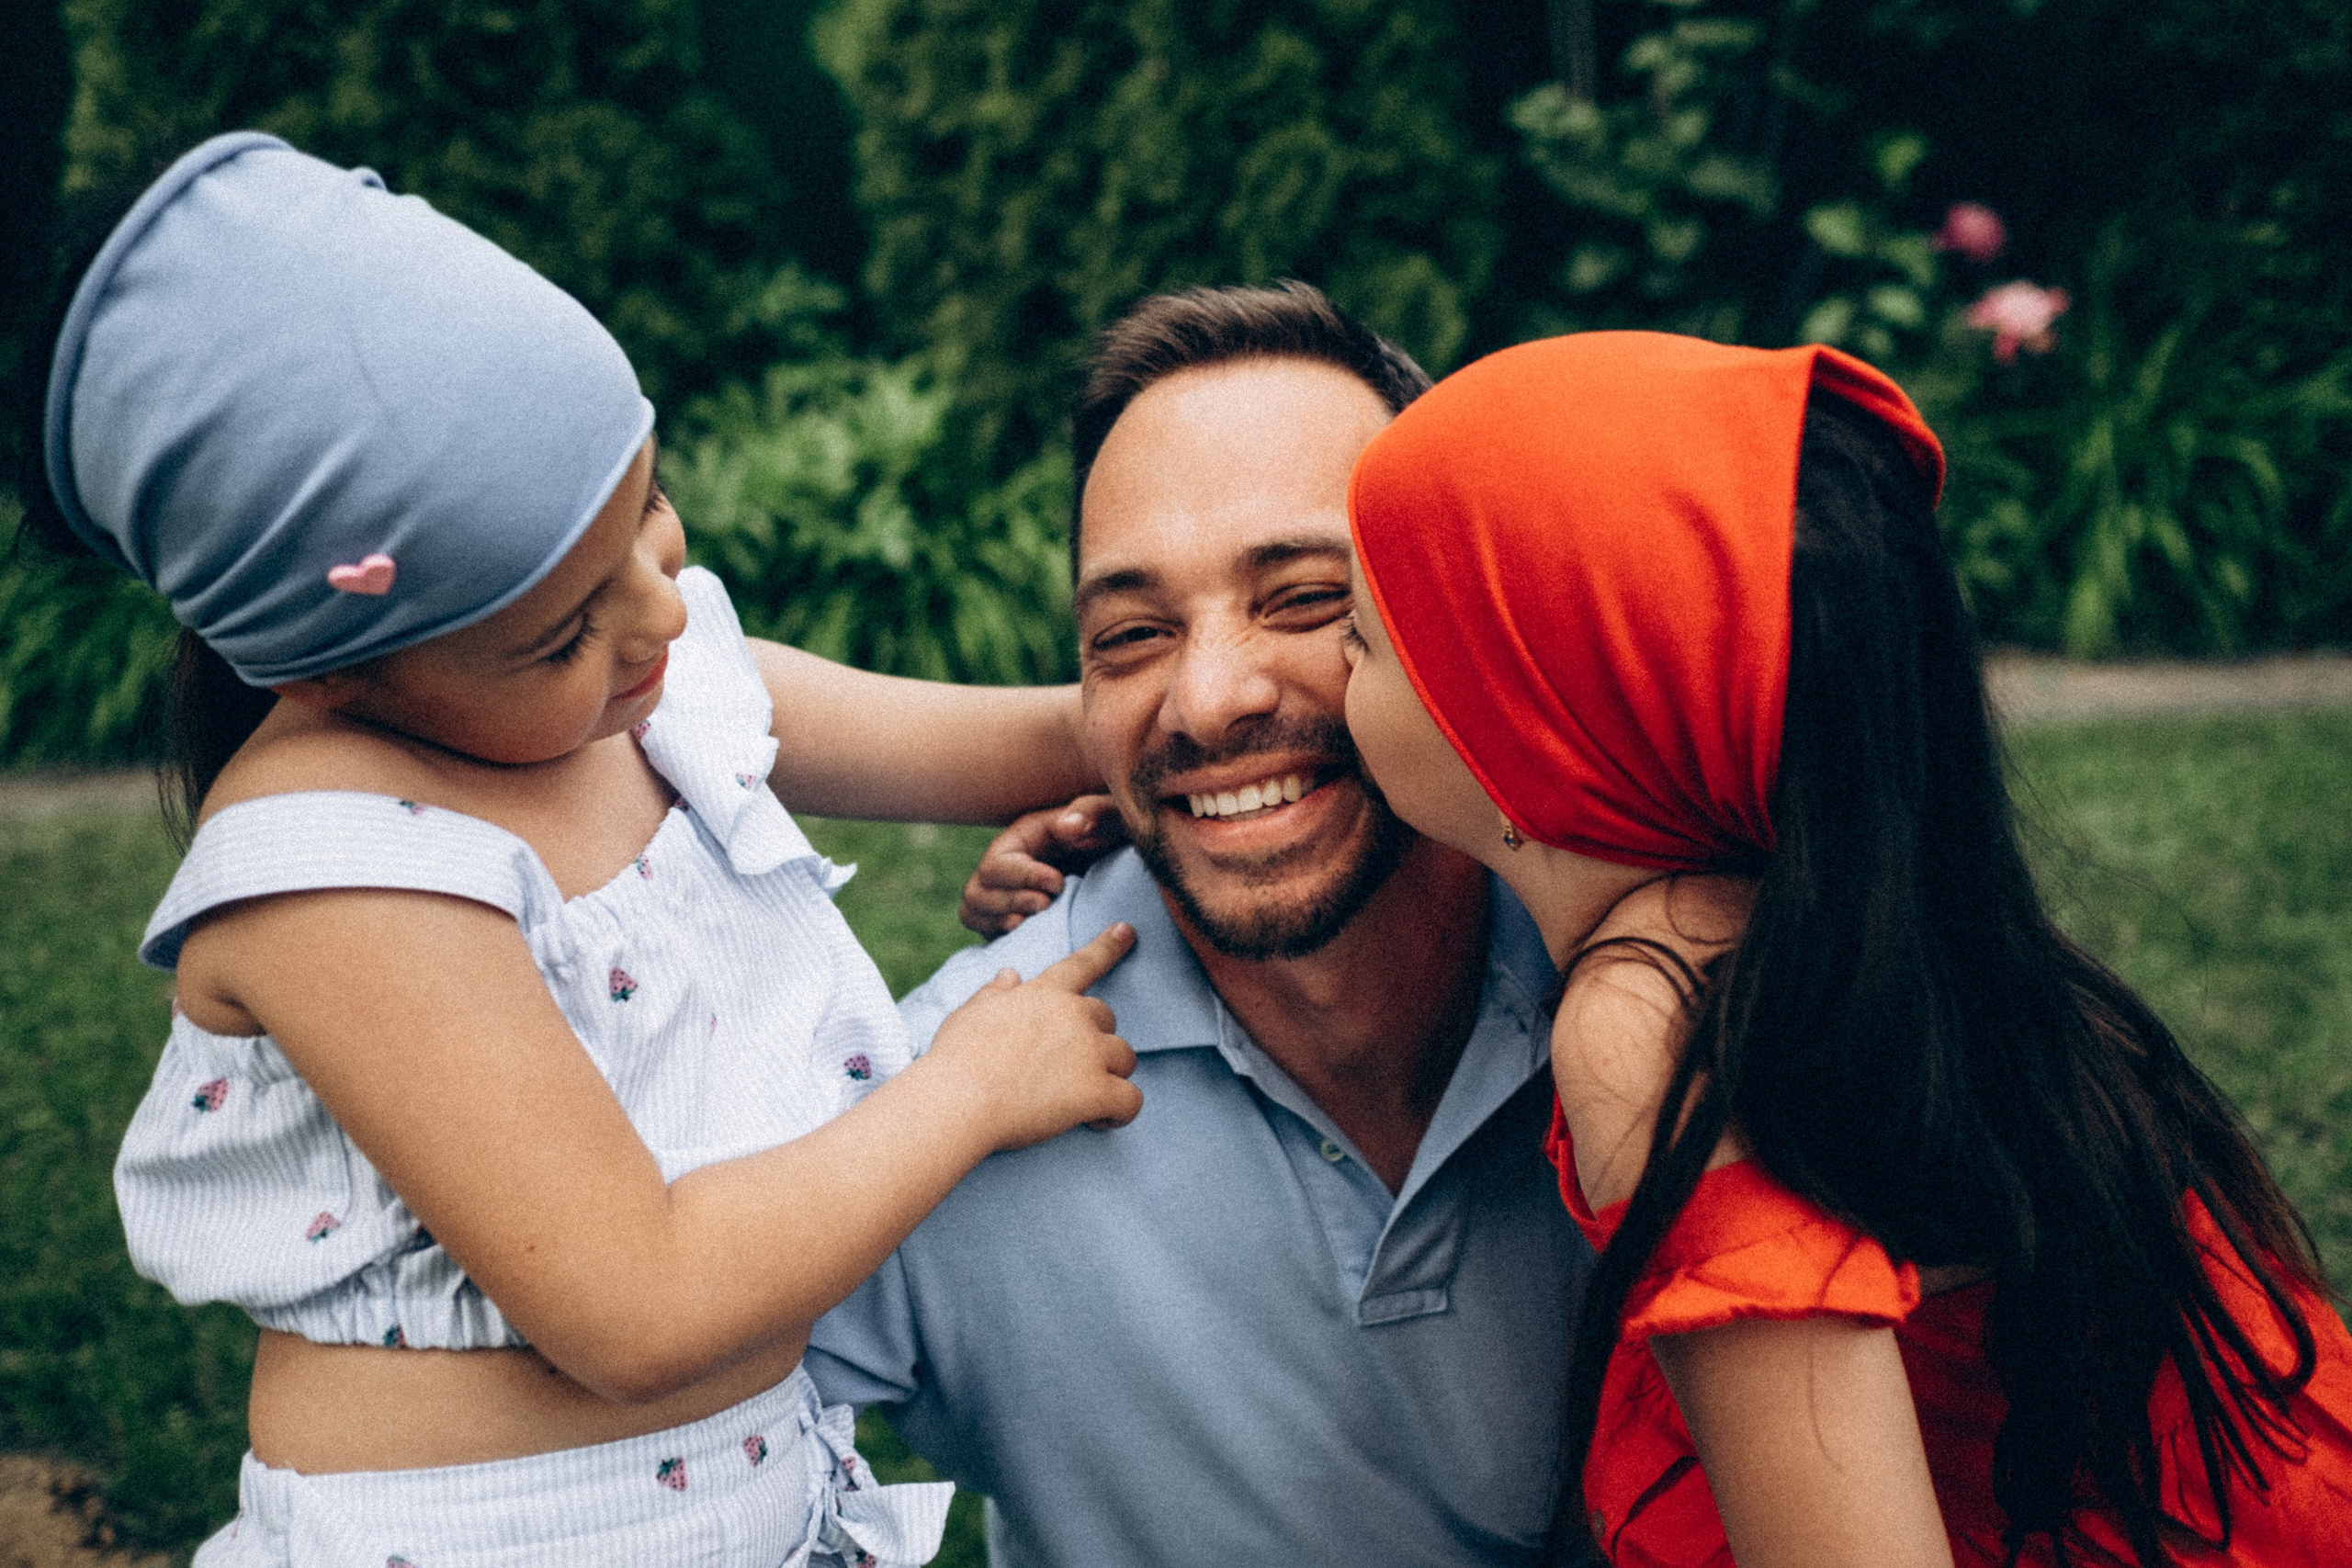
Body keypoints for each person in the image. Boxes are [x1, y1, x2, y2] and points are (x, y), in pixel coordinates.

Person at [26, 131, 1146, 1566]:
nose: (660, 617)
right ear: (330, 673)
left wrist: (1173, 722)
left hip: (765, 1503)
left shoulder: (633, 688)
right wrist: (973, 1089)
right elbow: (640, 1306)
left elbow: (1007, 737)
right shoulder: (338, 862)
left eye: (650, 514)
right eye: (562, 629)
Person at [1340, 330, 2352, 1566]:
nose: (1322, 669)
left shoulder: (1647, 1022)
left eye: (1363, 633)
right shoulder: (1840, 906)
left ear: (1528, 729)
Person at [806, 284, 1594, 1567]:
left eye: (1299, 600)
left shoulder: (1662, 980)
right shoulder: (952, 1095)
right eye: (1133, 635)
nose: (1210, 699)